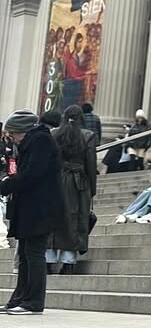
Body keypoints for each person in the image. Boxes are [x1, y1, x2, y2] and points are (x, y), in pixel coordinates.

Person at [0, 109, 64, 314]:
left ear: (23, 130)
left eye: (13, 133)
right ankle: (18, 299)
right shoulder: (33, 142)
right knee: (25, 254)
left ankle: (33, 302)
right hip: (31, 207)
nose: (11, 137)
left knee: (34, 254)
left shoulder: (41, 142)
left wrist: (6, 184)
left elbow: (31, 174)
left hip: (40, 208)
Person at [46, 105, 97, 275]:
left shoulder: (53, 134)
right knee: (74, 220)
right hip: (78, 182)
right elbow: (91, 165)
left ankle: (48, 259)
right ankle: (68, 262)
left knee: (52, 218)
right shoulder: (88, 135)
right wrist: (92, 189)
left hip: (55, 180)